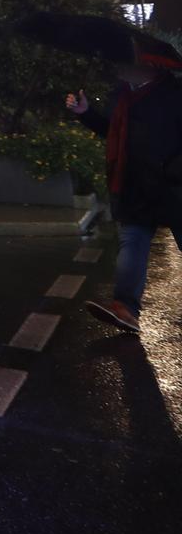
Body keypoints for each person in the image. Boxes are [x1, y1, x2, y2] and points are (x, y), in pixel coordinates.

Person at [70, 40, 182, 336]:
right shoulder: (122, 97)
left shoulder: (173, 95)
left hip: (173, 187)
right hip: (134, 185)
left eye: (126, 62)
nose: (119, 67)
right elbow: (113, 133)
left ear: (150, 66)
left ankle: (126, 306)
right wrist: (86, 113)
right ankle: (126, 308)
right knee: (132, 241)